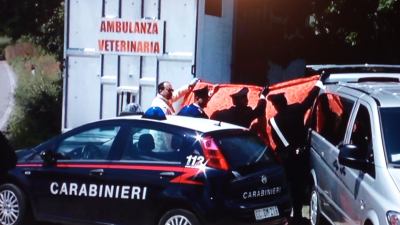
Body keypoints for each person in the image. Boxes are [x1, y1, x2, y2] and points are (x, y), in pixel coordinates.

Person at [268, 80, 323, 223]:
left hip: (287, 158)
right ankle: (298, 213)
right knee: (301, 184)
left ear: (275, 106)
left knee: (290, 185)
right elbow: (309, 100)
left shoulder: (273, 121)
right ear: (285, 101)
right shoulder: (297, 109)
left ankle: (291, 214)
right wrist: (319, 83)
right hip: (302, 155)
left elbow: (277, 141)